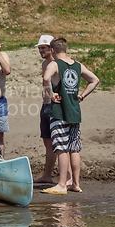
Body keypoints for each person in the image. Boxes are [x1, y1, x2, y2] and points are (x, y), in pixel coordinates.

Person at [41, 37, 99, 194]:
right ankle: (75, 183)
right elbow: (94, 80)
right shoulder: (78, 65)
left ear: (52, 50)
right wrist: (82, 95)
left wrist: (51, 94)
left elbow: (46, 78)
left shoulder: (54, 64)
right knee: (74, 148)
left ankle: (61, 184)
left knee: (61, 148)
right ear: (66, 49)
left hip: (59, 112)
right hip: (74, 111)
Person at [33, 35, 72, 184]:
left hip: (56, 106)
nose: (41, 51)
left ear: (52, 48)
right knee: (48, 143)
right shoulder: (45, 64)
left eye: (43, 48)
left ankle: (68, 177)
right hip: (46, 105)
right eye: (39, 48)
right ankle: (47, 175)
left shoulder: (58, 64)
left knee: (60, 143)